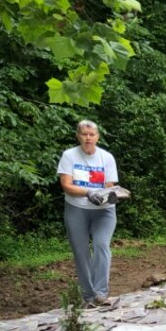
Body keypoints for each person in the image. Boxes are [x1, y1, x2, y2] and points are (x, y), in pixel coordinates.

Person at [58, 119, 120, 307]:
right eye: (84, 134)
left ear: (97, 137)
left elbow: (110, 185)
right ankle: (88, 296)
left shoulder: (106, 158)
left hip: (103, 211)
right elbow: (66, 185)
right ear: (78, 136)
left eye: (92, 134)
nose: (88, 138)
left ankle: (101, 292)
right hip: (77, 209)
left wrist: (111, 196)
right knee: (81, 252)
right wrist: (88, 192)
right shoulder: (69, 156)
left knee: (101, 246)